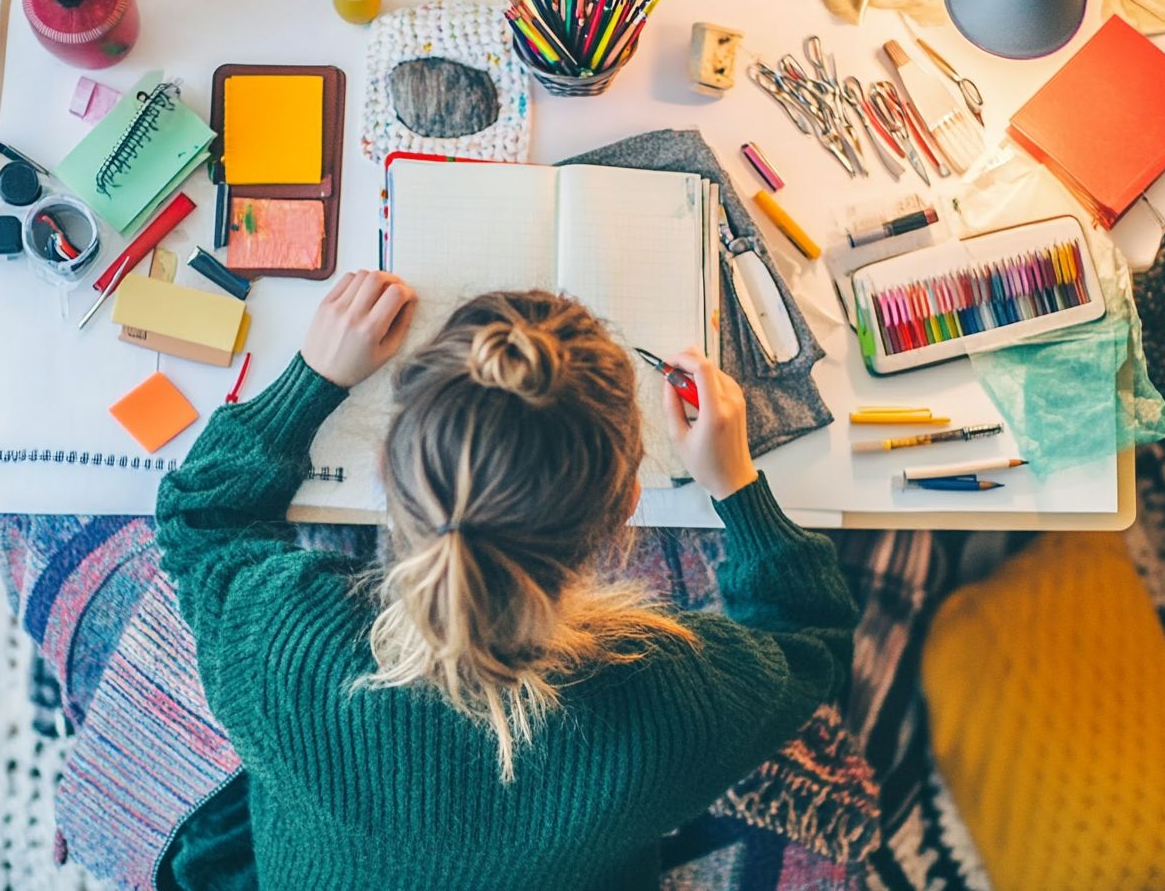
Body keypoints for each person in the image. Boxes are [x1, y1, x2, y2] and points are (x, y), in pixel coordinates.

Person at [154, 269, 859, 890]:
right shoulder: (667, 703)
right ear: (624, 517)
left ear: (385, 476)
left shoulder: (280, 645)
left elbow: (203, 515)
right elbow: (809, 640)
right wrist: (736, 485)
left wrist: (313, 377)